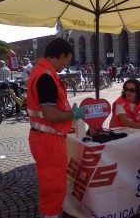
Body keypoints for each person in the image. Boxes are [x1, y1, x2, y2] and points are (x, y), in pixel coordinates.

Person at [26, 38, 86, 218]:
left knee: (53, 181)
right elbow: (50, 115)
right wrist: (73, 115)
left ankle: (51, 212)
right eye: (67, 60)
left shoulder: (41, 72)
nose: (67, 63)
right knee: (53, 185)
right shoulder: (46, 77)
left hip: (46, 138)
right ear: (61, 56)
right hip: (48, 140)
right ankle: (51, 214)